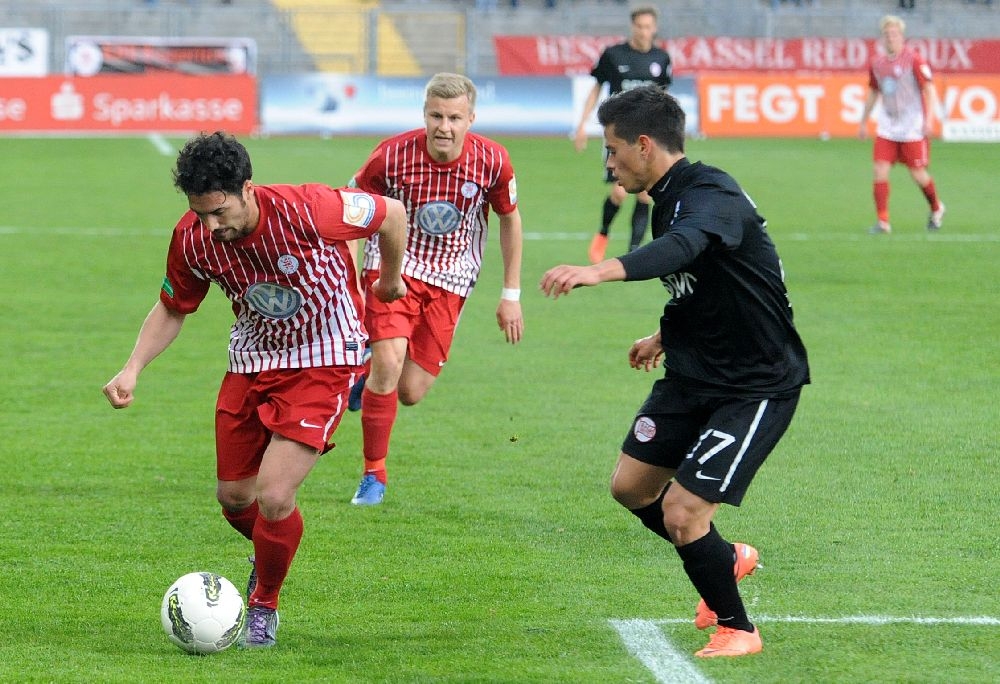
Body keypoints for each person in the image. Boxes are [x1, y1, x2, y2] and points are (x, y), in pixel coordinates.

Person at [102, 131, 407, 648]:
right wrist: (132, 368)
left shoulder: (310, 209)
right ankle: (270, 551)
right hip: (251, 359)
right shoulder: (193, 238)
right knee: (234, 497)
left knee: (275, 494)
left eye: (219, 211)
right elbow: (174, 308)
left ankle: (265, 602)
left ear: (247, 188)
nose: (210, 225)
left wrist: (390, 280)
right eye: (200, 213)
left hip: (325, 356)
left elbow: (392, 213)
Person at [541, 86, 810, 658]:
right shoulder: (668, 197)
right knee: (631, 488)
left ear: (643, 145)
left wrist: (599, 271)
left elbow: (685, 247)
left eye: (613, 150)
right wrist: (663, 336)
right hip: (695, 372)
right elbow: (706, 282)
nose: (608, 163)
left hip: (753, 384)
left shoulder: (710, 193)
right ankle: (726, 559)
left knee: (683, 512)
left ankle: (738, 628)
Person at [346, 72, 524, 506]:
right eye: (436, 116)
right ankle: (373, 475)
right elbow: (350, 208)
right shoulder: (390, 156)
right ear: (424, 114)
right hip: (393, 267)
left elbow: (509, 219)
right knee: (390, 365)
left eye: (454, 118)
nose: (444, 126)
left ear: (471, 119)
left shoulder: (493, 161)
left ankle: (363, 373)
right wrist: (351, 286)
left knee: (410, 391)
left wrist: (511, 294)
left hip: (452, 279)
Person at [573, 7, 672, 263]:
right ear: (632, 27)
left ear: (654, 28)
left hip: (648, 136)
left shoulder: (662, 58)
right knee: (618, 193)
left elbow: (664, 97)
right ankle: (603, 232)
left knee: (645, 193)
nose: (643, 31)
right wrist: (582, 125)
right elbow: (596, 88)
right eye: (639, 26)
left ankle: (634, 252)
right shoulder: (613, 55)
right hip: (618, 135)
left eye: (648, 26)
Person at [858, 14, 945, 234]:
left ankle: (936, 208)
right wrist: (863, 120)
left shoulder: (914, 60)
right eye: (887, 34)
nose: (890, 37)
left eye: (894, 33)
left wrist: (929, 119)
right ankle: (883, 222)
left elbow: (929, 90)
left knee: (918, 174)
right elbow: (873, 92)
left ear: (902, 36)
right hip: (887, 126)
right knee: (880, 169)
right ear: (882, 37)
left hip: (912, 127)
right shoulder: (877, 63)